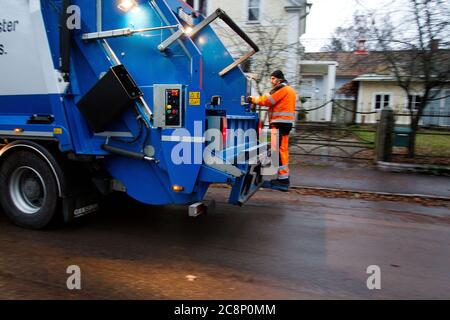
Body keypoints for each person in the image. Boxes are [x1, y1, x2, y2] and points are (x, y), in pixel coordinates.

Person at [247, 70, 297, 191]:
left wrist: (253, 99)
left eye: (273, 78)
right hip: (285, 124)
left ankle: (281, 181)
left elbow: (268, 101)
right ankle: (283, 178)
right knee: (282, 150)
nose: (272, 81)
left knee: (276, 151)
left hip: (279, 124)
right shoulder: (290, 90)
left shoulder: (282, 89)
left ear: (279, 79)